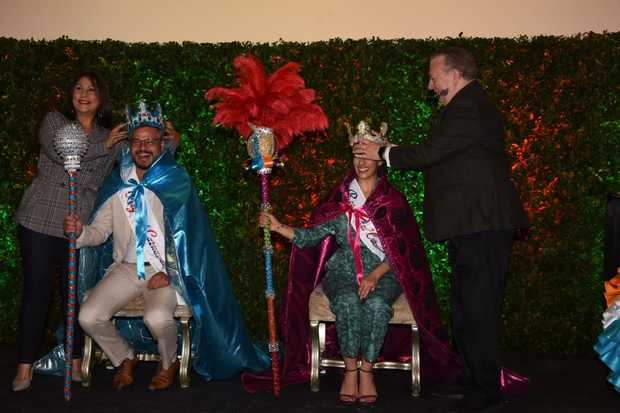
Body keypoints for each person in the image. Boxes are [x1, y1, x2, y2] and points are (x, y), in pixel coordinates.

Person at [353, 48, 529, 411]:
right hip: (473, 224)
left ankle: (484, 391)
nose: (430, 85)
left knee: (478, 308)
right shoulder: (467, 106)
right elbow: (442, 154)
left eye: (434, 77)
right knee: (468, 306)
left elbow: (432, 153)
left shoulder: (469, 107)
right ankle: (472, 379)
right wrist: (386, 149)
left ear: (454, 75)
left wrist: (381, 151)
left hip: (482, 223)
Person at [64, 102, 269, 390]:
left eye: (150, 142)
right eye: (137, 142)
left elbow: (192, 239)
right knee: (87, 316)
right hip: (126, 268)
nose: (143, 147)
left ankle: (169, 361)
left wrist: (172, 274)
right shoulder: (118, 184)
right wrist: (79, 233)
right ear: (129, 146)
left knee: (156, 316)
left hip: (165, 270)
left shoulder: (176, 181)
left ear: (162, 144)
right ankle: (124, 357)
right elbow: (100, 231)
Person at [254, 121, 460, 404]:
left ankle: (367, 370)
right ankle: (350, 370)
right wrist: (278, 227)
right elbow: (312, 236)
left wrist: (376, 273)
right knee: (348, 302)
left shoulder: (392, 201)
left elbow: (406, 251)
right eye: (356, 155)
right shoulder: (340, 199)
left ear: (379, 160)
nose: (361, 162)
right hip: (342, 270)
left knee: (377, 304)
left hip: (385, 271)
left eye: (367, 156)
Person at [12, 72, 128, 391]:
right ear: (70, 94)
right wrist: (104, 145)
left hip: (78, 225)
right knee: (37, 294)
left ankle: (74, 361)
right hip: (40, 216)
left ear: (101, 97)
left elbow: (145, 156)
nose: (84, 94)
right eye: (78, 88)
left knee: (73, 296)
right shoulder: (54, 122)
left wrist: (172, 139)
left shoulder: (113, 136)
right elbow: (64, 152)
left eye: (91, 89)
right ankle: (24, 368)